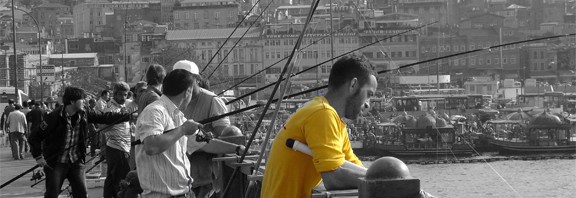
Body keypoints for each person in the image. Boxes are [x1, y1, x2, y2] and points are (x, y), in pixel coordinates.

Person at [261, 54, 378, 198]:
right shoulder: (322, 113)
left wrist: (376, 175)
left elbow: (353, 167)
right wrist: (383, 179)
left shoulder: (333, 118)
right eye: (369, 94)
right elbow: (334, 176)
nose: (368, 104)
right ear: (353, 85)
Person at [134, 69, 245, 198]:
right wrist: (182, 130)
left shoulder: (178, 117)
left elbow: (205, 143)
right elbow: (151, 146)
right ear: (188, 91)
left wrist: (238, 149)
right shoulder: (155, 111)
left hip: (184, 193)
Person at [28, 87, 132, 198]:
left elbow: (103, 117)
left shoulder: (84, 113)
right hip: (56, 163)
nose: (85, 102)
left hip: (76, 162)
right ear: (72, 101)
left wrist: (125, 116)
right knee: (52, 194)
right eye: (82, 99)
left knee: (82, 193)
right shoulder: (53, 117)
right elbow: (34, 136)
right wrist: (38, 156)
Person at [174, 60, 233, 198]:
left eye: (187, 79)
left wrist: (197, 140)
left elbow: (226, 135)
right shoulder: (174, 101)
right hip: (181, 178)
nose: (183, 84)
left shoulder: (212, 101)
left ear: (197, 80)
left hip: (205, 177)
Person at [102, 82, 132, 198]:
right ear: (114, 94)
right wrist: (118, 118)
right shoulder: (111, 108)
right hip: (117, 148)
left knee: (111, 180)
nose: (123, 98)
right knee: (120, 181)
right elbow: (104, 128)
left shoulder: (121, 107)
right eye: (121, 95)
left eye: (125, 95)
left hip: (120, 148)